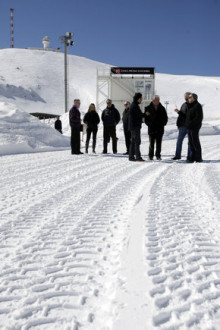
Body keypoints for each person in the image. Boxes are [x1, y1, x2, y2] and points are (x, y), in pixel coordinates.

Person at [145, 95, 168, 160]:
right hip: (151, 129)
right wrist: (150, 125)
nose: (158, 101)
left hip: (160, 129)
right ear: (153, 100)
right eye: (157, 100)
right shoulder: (148, 108)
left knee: (159, 144)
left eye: (158, 100)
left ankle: (158, 155)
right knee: (151, 144)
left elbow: (165, 118)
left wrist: (163, 124)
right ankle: (150, 155)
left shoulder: (162, 108)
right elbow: (146, 119)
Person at [172, 92, 192, 160]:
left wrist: (178, 111)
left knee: (190, 142)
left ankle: (189, 157)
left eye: (186, 96)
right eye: (185, 96)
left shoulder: (192, 105)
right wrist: (178, 124)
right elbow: (180, 116)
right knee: (179, 141)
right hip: (182, 126)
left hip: (189, 126)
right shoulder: (183, 104)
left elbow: (187, 116)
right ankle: (177, 156)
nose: (185, 97)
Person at [185, 93, 203, 162]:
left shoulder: (197, 106)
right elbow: (187, 117)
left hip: (194, 127)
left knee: (195, 142)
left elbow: (198, 118)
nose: (188, 98)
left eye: (190, 97)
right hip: (189, 127)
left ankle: (198, 158)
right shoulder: (190, 106)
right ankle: (193, 157)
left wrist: (190, 123)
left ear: (194, 98)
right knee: (191, 143)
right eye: (188, 97)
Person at [128, 93, 145, 162]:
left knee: (133, 141)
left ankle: (131, 156)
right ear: (138, 98)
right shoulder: (135, 106)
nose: (141, 100)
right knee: (137, 141)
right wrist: (145, 114)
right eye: (141, 98)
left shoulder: (134, 105)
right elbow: (139, 115)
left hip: (133, 126)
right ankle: (138, 157)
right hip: (135, 127)